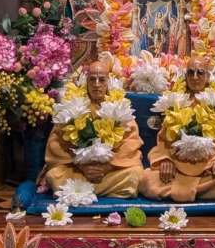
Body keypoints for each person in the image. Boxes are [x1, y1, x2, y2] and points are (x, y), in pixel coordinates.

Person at [139, 57, 215, 202]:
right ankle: (205, 191)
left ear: (208, 77)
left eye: (200, 73)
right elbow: (163, 140)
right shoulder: (175, 103)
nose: (195, 77)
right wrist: (165, 160)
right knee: (147, 179)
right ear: (185, 77)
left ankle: (183, 190)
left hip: (209, 168)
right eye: (191, 73)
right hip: (177, 167)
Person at [42, 60, 143, 198]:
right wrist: (82, 166)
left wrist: (107, 167)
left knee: (136, 174)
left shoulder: (120, 106)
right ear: (86, 82)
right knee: (54, 175)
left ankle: (79, 191)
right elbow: (56, 142)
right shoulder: (73, 105)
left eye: (101, 80)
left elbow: (131, 142)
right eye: (92, 79)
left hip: (110, 170)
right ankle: (103, 190)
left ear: (108, 82)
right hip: (79, 170)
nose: (96, 84)